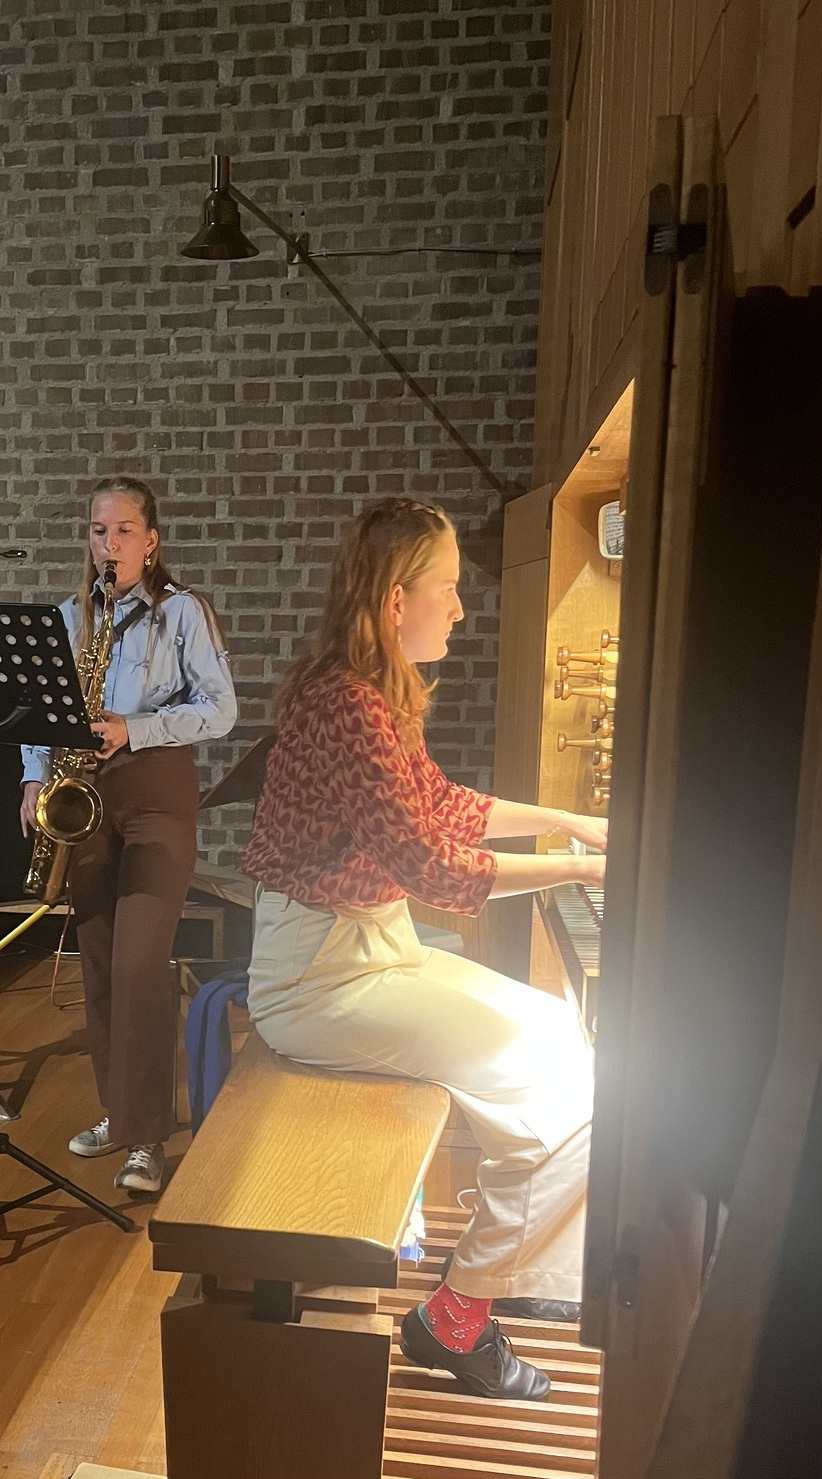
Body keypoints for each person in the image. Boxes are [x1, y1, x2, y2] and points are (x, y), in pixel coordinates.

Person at [241, 496, 607, 1401]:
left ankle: (518, 1266)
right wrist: (576, 865)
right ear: (397, 598)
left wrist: (571, 822)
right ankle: (458, 1316)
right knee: (569, 1093)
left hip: (364, 949)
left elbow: (444, 805)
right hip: (317, 981)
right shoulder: (349, 708)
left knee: (561, 1032)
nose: (461, 608)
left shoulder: (371, 693)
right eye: (448, 587)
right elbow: (436, 869)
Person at [21, 477, 237, 1196]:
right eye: (97, 531)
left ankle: (147, 1138)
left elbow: (221, 710)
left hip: (155, 793)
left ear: (151, 541)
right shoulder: (69, 618)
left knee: (141, 965)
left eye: (123, 531)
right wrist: (32, 779)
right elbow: (39, 714)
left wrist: (133, 728)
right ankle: (120, 1113)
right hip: (85, 796)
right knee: (101, 964)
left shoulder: (182, 613)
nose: (108, 545)